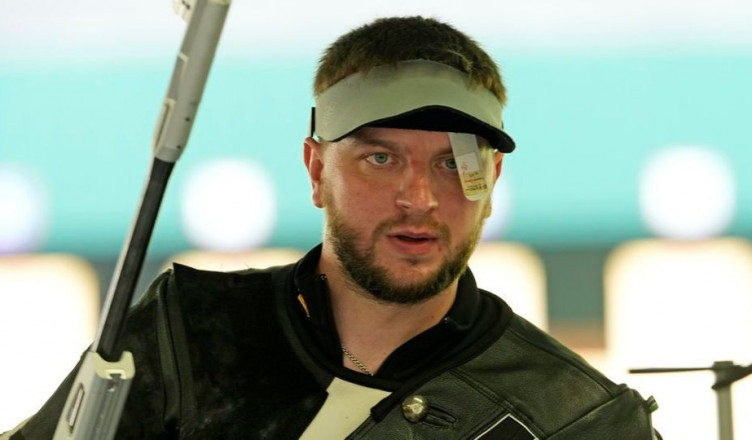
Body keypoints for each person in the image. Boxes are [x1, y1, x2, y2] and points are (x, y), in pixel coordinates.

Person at [3, 16, 660, 439]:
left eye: (453, 164)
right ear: (316, 169)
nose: (420, 197)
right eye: (381, 158)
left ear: (492, 185)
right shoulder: (189, 330)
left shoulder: (582, 419)